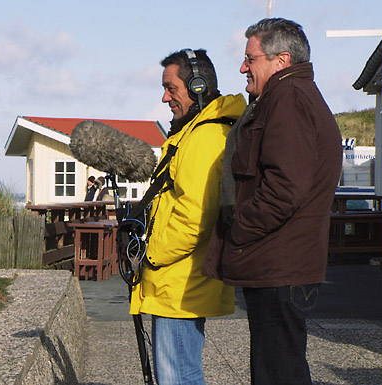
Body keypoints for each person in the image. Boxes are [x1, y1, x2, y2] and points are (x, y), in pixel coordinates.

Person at [203, 18, 342, 385]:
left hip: (279, 266)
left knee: (278, 372)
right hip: (278, 263)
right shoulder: (284, 97)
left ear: (280, 60)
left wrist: (239, 232)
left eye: (250, 58)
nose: (242, 67)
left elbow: (285, 188)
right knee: (280, 368)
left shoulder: (288, 99)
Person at [129, 49, 246, 384]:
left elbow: (194, 217)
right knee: (178, 372)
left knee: (177, 375)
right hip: (176, 281)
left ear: (197, 86)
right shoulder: (194, 132)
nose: (164, 97)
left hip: (179, 284)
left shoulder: (205, 137)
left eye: (171, 87)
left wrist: (150, 254)